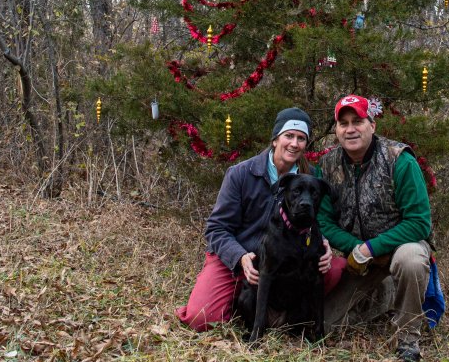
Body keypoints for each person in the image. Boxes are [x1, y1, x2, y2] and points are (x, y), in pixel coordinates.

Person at [176, 107, 344, 331]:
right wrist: (240, 258)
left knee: (333, 269)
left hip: (285, 260)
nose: (294, 143)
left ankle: (290, 316)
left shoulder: (310, 178)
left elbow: (318, 220)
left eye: (301, 138)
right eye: (289, 136)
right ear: (275, 139)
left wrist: (323, 243)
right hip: (236, 260)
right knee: (201, 318)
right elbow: (216, 228)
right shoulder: (241, 174)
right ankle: (239, 301)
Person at [316, 94, 433, 362]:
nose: (350, 129)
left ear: (372, 125)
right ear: (336, 129)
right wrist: (354, 249)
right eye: (343, 123)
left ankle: (408, 340)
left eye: (358, 121)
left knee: (412, 260)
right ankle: (387, 294)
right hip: (357, 259)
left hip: (397, 249)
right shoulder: (327, 164)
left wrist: (371, 248)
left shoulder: (399, 160)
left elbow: (419, 222)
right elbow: (323, 221)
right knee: (325, 326)